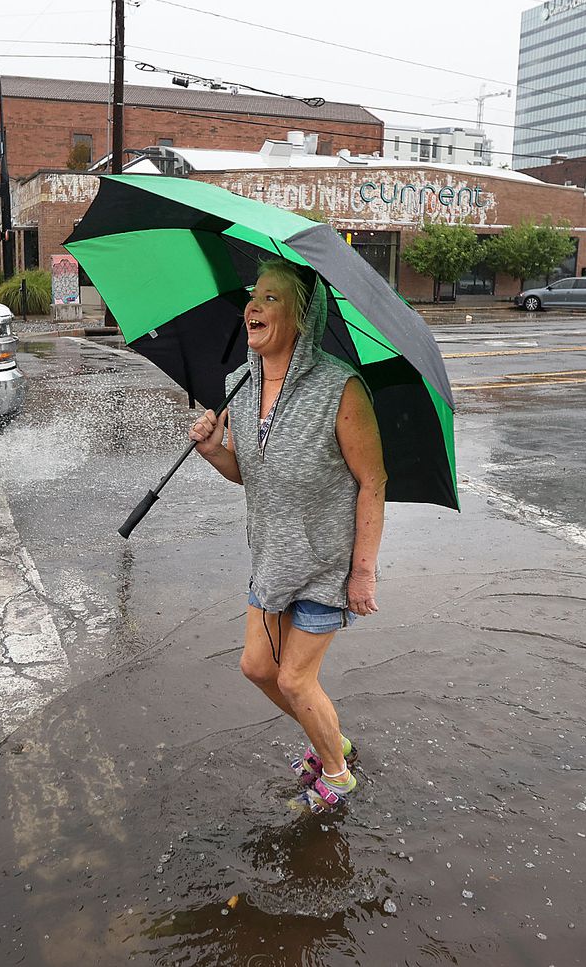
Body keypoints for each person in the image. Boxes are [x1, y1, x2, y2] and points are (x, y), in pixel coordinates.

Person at [189, 258, 387, 814]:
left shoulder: (339, 388)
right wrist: (212, 452)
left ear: (302, 315)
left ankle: (339, 773)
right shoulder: (239, 385)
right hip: (271, 558)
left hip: (325, 562)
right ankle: (332, 741)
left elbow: (373, 482)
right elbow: (247, 472)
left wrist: (363, 572)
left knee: (297, 681)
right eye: (252, 296)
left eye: (271, 298)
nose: (252, 306)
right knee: (257, 667)